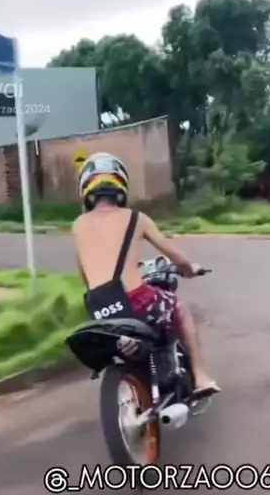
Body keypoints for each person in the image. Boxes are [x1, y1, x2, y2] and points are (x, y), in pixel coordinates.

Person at [72, 150, 220, 396]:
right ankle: (201, 376)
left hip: (98, 306)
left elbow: (84, 275)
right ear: (121, 184)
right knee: (179, 307)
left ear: (86, 187)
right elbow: (173, 253)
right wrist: (189, 268)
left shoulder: (77, 225)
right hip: (136, 301)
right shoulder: (137, 218)